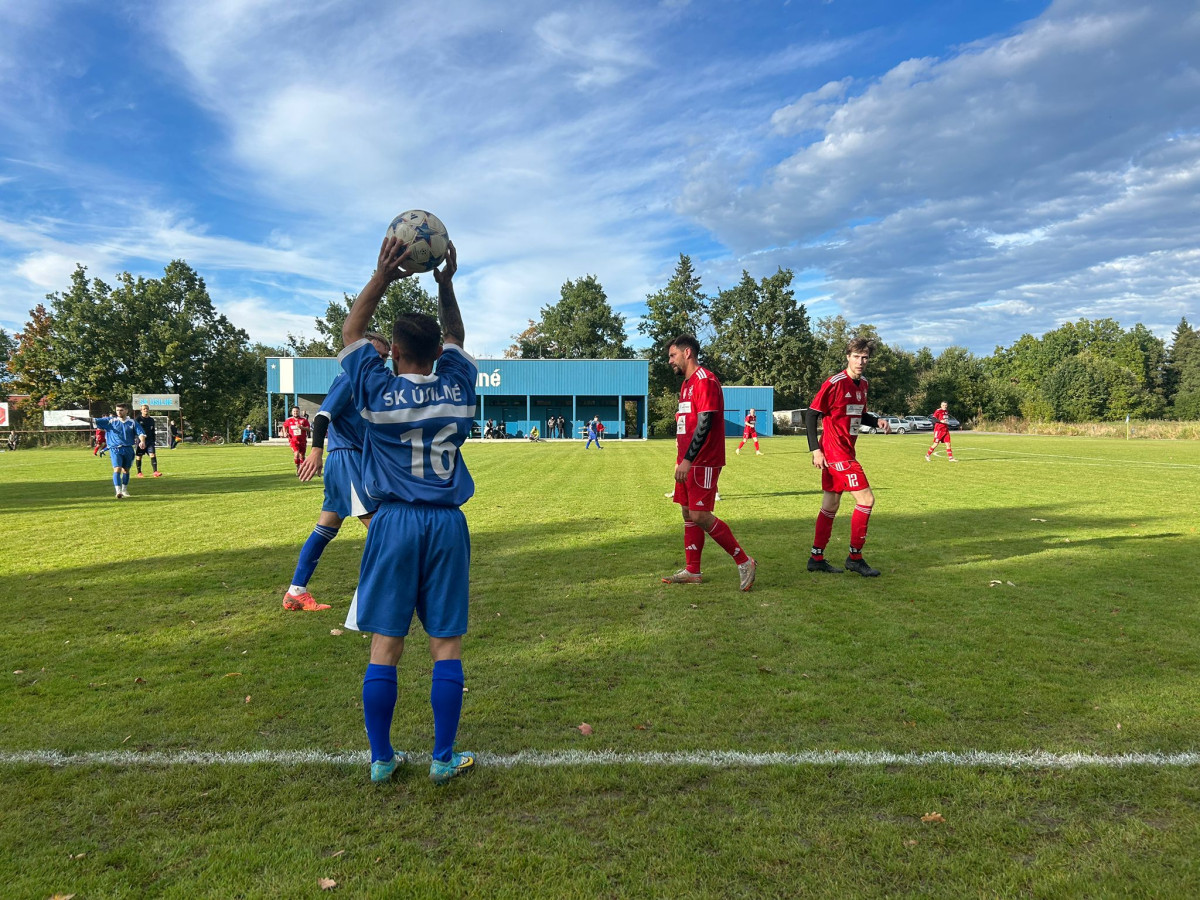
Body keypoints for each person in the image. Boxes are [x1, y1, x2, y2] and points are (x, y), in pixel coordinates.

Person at [340, 236, 476, 786]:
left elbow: (352, 334)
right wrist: (446, 285)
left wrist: (382, 276)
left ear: (393, 352)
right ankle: (443, 758)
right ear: (438, 354)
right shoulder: (458, 386)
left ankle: (381, 758)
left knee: (386, 643)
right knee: (445, 644)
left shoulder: (377, 391)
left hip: (393, 522)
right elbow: (457, 335)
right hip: (446, 523)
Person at [284, 332, 392, 613]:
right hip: (347, 461)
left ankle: (296, 592)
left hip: (353, 461)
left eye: (385, 357)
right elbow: (322, 416)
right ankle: (382, 595)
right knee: (383, 530)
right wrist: (316, 451)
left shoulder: (370, 386)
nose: (381, 362)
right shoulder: (349, 379)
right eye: (377, 356)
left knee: (326, 528)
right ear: (360, 354)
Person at [661, 334, 756, 591]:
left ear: (687, 353)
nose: (670, 360)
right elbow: (686, 424)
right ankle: (693, 570)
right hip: (687, 460)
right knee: (686, 511)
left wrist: (688, 460)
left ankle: (744, 561)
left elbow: (705, 423)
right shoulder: (686, 384)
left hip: (703, 461)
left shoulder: (705, 381)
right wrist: (680, 459)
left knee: (699, 514)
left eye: (673, 355)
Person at [805, 337, 890, 577]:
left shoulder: (864, 384)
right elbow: (811, 414)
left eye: (865, 358)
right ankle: (855, 557)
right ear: (848, 357)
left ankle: (816, 558)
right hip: (835, 453)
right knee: (866, 500)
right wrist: (815, 450)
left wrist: (876, 421)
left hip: (846, 450)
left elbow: (859, 414)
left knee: (830, 504)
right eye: (856, 357)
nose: (861, 361)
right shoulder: (835, 383)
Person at [70, 404, 143, 498]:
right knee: (117, 468)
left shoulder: (132, 422)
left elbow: (141, 433)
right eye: (117, 410)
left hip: (128, 448)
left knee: (126, 470)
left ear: (126, 411)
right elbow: (93, 420)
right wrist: (78, 418)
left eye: (121, 410)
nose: (119, 412)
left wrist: (142, 441)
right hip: (115, 449)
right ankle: (118, 491)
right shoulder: (110, 421)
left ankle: (124, 489)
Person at [133, 404, 162, 478]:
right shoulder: (137, 419)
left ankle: (155, 471)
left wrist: (153, 439)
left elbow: (153, 430)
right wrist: (136, 439)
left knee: (152, 454)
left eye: (147, 409)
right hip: (140, 441)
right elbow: (135, 430)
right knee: (139, 456)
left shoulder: (151, 420)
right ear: (141, 410)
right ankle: (139, 472)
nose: (146, 410)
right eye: (144, 409)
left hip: (150, 440)